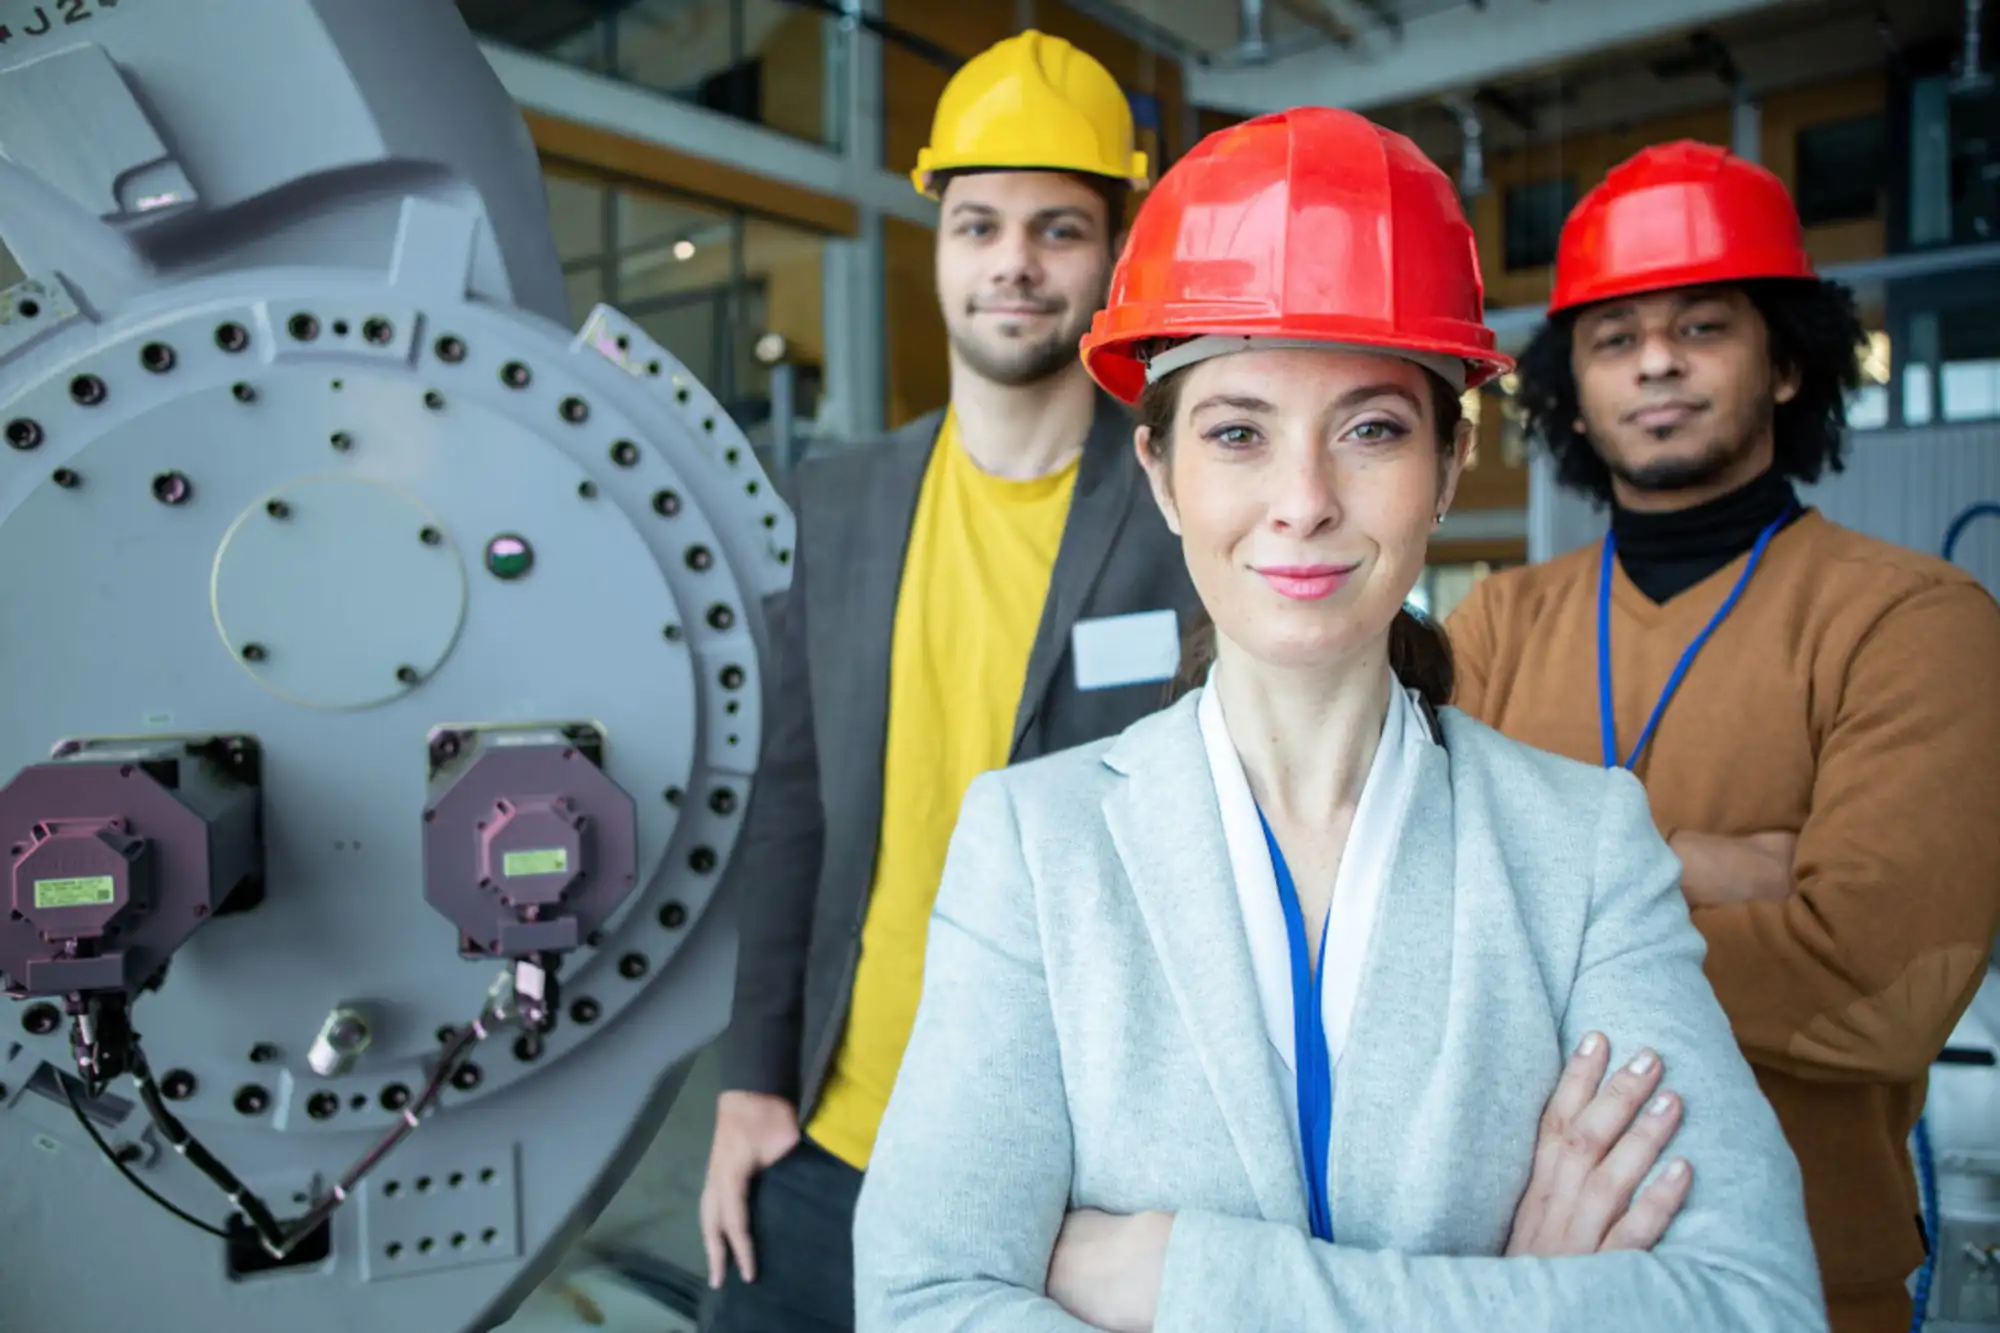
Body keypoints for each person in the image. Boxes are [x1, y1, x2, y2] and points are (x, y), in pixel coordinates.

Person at [851, 107, 1827, 1333]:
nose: (1303, 502)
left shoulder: (1579, 847)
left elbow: (1754, 1307)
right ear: (1157, 472)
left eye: (1368, 429)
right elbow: (923, 1302)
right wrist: (1517, 1303)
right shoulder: (1033, 847)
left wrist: (1192, 1284)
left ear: (1446, 464)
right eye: (1237, 434)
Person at [1444, 140, 2000, 1333]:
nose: (1653, 360)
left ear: (1785, 363)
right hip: (1517, 1267)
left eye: (1701, 327)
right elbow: (1419, 926)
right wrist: (1710, 863)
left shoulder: (1910, 621)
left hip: (1808, 1273)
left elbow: (1882, 987)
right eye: (1612, 337)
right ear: (1569, 392)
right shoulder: (1495, 620)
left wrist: (1533, 893)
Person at [696, 31, 1201, 1333]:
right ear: (938, 245)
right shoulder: (840, 501)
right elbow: (789, 803)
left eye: (1058, 228)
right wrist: (753, 1080)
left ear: (1113, 255)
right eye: (978, 225)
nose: (1014, 263)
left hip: (1075, 1164)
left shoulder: (1183, 513)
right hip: (831, 1133)